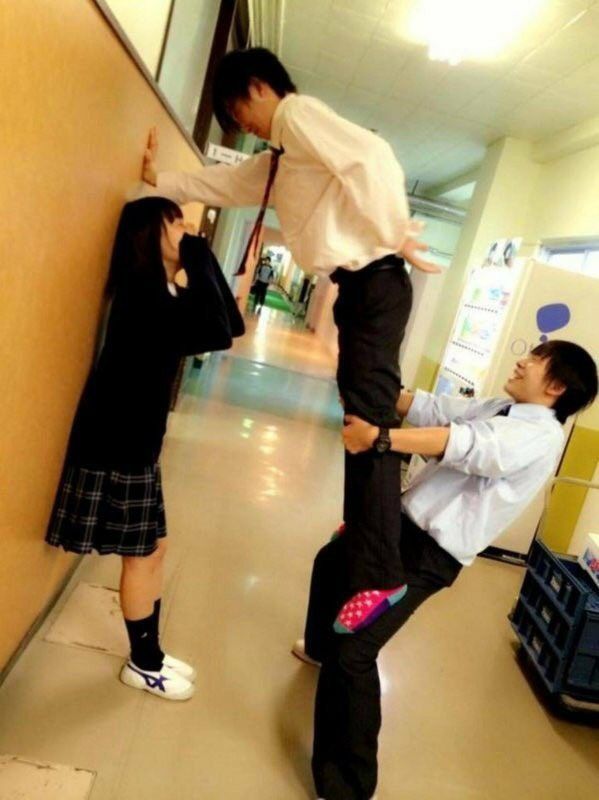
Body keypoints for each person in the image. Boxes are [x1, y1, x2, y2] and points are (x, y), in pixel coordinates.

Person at [141, 47, 442, 635]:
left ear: (258, 87)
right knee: (362, 419)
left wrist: (392, 233)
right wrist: (164, 180)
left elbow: (371, 158)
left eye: (236, 109)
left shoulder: (298, 116)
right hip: (362, 287)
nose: (241, 123)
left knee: (370, 423)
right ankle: (369, 534)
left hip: (376, 282)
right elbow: (230, 181)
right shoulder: (285, 156)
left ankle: (381, 570)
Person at [293, 339, 597, 800]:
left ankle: (350, 786)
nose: (522, 360)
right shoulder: (503, 407)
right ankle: (318, 647)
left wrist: (380, 435)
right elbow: (437, 410)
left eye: (536, 360)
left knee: (354, 650)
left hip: (428, 554)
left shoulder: (539, 435)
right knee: (330, 562)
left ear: (555, 385)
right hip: (397, 526)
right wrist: (377, 389)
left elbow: (466, 445)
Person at [46, 197, 244, 701]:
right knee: (144, 555)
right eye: (175, 222)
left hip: (131, 441)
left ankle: (148, 653)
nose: (187, 228)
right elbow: (221, 332)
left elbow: (231, 324)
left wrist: (196, 252)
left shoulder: (158, 292)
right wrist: (198, 253)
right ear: (147, 231)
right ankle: (144, 663)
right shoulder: (142, 294)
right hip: (118, 441)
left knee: (152, 550)